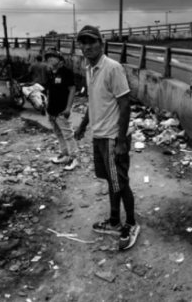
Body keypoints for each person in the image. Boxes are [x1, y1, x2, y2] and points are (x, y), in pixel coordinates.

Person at [74, 25, 140, 251]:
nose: (87, 47)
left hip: (113, 137)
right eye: (83, 43)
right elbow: (94, 102)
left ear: (101, 44)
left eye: (91, 42)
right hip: (99, 135)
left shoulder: (112, 68)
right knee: (112, 181)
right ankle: (113, 221)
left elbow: (125, 104)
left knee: (121, 182)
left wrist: (121, 141)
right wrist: (83, 125)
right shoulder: (89, 68)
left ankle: (131, 223)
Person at [44, 49, 79, 168]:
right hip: (52, 110)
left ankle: (73, 158)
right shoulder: (50, 73)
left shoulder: (66, 72)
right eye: (48, 57)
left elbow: (72, 89)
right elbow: (50, 91)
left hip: (62, 110)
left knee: (68, 135)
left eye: (53, 56)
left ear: (60, 60)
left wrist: (68, 108)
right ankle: (64, 154)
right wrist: (47, 106)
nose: (50, 59)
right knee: (58, 134)